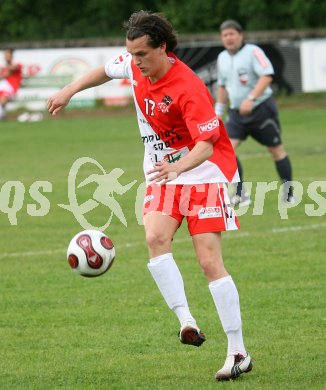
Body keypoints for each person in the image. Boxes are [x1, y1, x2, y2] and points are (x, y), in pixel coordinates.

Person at [47, 11, 252, 381]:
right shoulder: (135, 64)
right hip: (164, 173)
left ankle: (238, 351)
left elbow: (207, 144)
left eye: (141, 54)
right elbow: (106, 71)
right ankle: (186, 321)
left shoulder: (188, 87)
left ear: (162, 48)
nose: (134, 61)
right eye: (131, 54)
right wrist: (69, 90)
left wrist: (179, 166)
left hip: (204, 172)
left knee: (208, 261)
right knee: (155, 238)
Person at [215, 20, 294, 206]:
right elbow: (222, 86)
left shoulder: (253, 52)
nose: (228, 38)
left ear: (240, 35)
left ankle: (289, 192)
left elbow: (267, 76)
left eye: (232, 34)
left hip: (261, 110)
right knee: (227, 149)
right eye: (225, 35)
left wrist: (250, 99)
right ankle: (241, 193)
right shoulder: (222, 58)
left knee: (275, 150)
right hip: (236, 114)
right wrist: (218, 110)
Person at [0, 48, 23, 120]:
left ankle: (1, 115)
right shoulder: (3, 67)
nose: (6, 57)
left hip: (11, 88)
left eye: (8, 55)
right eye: (5, 55)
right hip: (4, 87)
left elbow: (12, 69)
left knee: (3, 96)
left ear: (11, 56)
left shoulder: (17, 65)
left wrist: (5, 70)